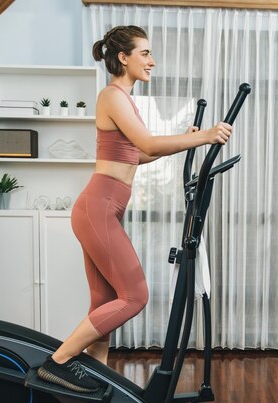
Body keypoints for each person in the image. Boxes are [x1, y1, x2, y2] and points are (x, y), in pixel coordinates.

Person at [37, 25, 233, 393]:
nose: (152, 61)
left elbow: (138, 154)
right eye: (145, 53)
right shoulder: (112, 95)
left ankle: (93, 382)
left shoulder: (124, 100)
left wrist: (186, 141)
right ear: (123, 57)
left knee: (105, 302)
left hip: (103, 208)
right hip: (98, 206)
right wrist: (203, 136)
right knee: (135, 296)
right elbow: (148, 143)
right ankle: (58, 362)